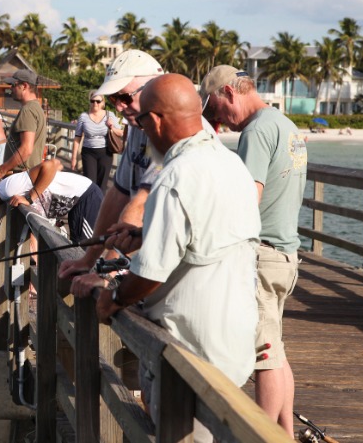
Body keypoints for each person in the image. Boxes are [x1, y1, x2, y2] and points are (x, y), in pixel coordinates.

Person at [93, 74, 261, 441]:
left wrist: (114, 299)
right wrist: (144, 233)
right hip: (232, 344)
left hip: (191, 350)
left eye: (140, 123)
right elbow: (208, 237)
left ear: (154, 121)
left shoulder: (176, 176)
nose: (140, 132)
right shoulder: (229, 164)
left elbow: (151, 273)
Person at [200, 64, 308, 438]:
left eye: (215, 111)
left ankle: (255, 435)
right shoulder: (286, 125)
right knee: (275, 351)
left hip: (263, 256)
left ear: (230, 93)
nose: (220, 122)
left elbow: (248, 198)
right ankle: (285, 433)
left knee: (263, 359)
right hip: (286, 255)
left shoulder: (257, 131)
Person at [59, 50, 164, 282]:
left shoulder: (171, 130)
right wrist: (89, 259)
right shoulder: (137, 127)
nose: (119, 107)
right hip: (146, 261)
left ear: (155, 89)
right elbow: (118, 193)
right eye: (115, 99)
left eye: (125, 98)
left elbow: (141, 204)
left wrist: (103, 272)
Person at [0, 158, 103, 244]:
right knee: (77, 247)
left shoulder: (9, 188)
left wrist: (30, 197)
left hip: (85, 195)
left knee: (85, 248)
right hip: (75, 203)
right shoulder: (3, 192)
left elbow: (51, 165)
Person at [0, 69, 48, 179]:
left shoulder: (28, 110)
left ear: (24, 86)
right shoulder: (36, 108)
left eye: (13, 85)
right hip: (26, 175)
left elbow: (26, 149)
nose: (10, 88)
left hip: (21, 176)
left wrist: (2, 170)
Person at [70, 90, 124, 189]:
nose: (95, 103)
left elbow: (121, 133)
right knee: (89, 184)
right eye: (92, 101)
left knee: (102, 184)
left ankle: (100, 204)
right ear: (90, 102)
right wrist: (73, 158)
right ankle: (91, 203)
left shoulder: (109, 115)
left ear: (102, 102)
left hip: (105, 152)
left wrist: (111, 127)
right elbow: (77, 138)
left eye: (98, 101)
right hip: (88, 153)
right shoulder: (83, 117)